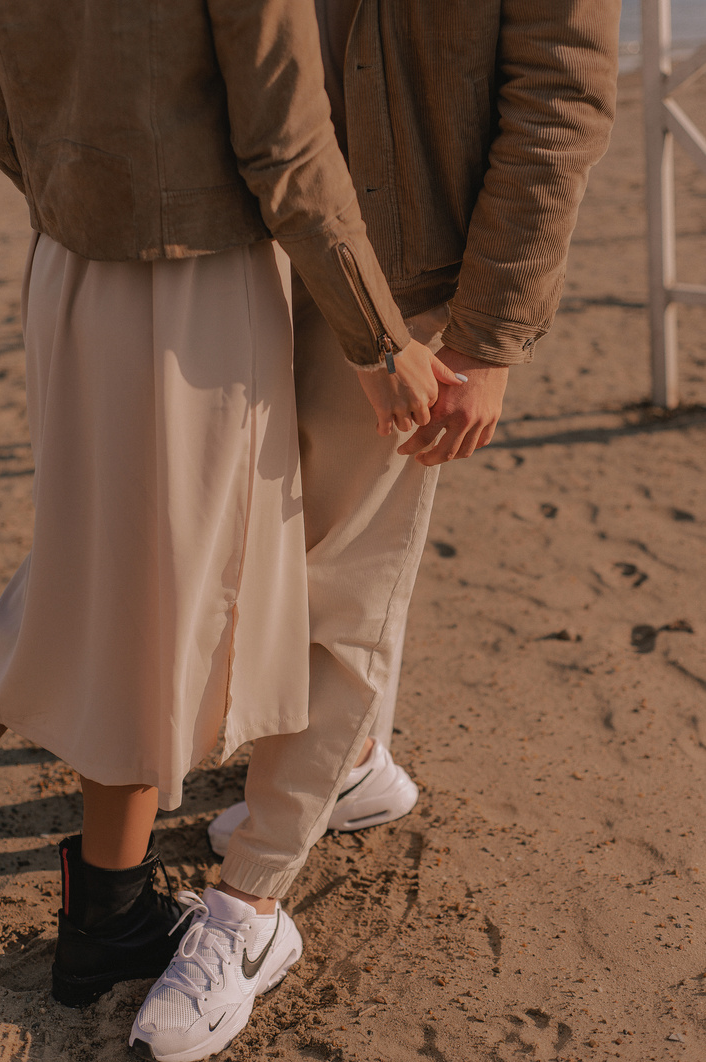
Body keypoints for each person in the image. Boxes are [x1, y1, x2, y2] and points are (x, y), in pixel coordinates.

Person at [0, 0, 461, 1053]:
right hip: (195, 279)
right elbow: (288, 149)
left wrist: (82, 186)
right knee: (166, 596)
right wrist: (379, 338)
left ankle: (134, 886)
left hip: (68, 271)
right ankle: (107, 917)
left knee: (104, 562)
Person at [208, 0, 623, 850]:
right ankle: (352, 758)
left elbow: (559, 103)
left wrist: (485, 342)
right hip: (234, 244)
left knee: (336, 574)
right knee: (231, 538)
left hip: (402, 275)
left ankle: (309, 817)